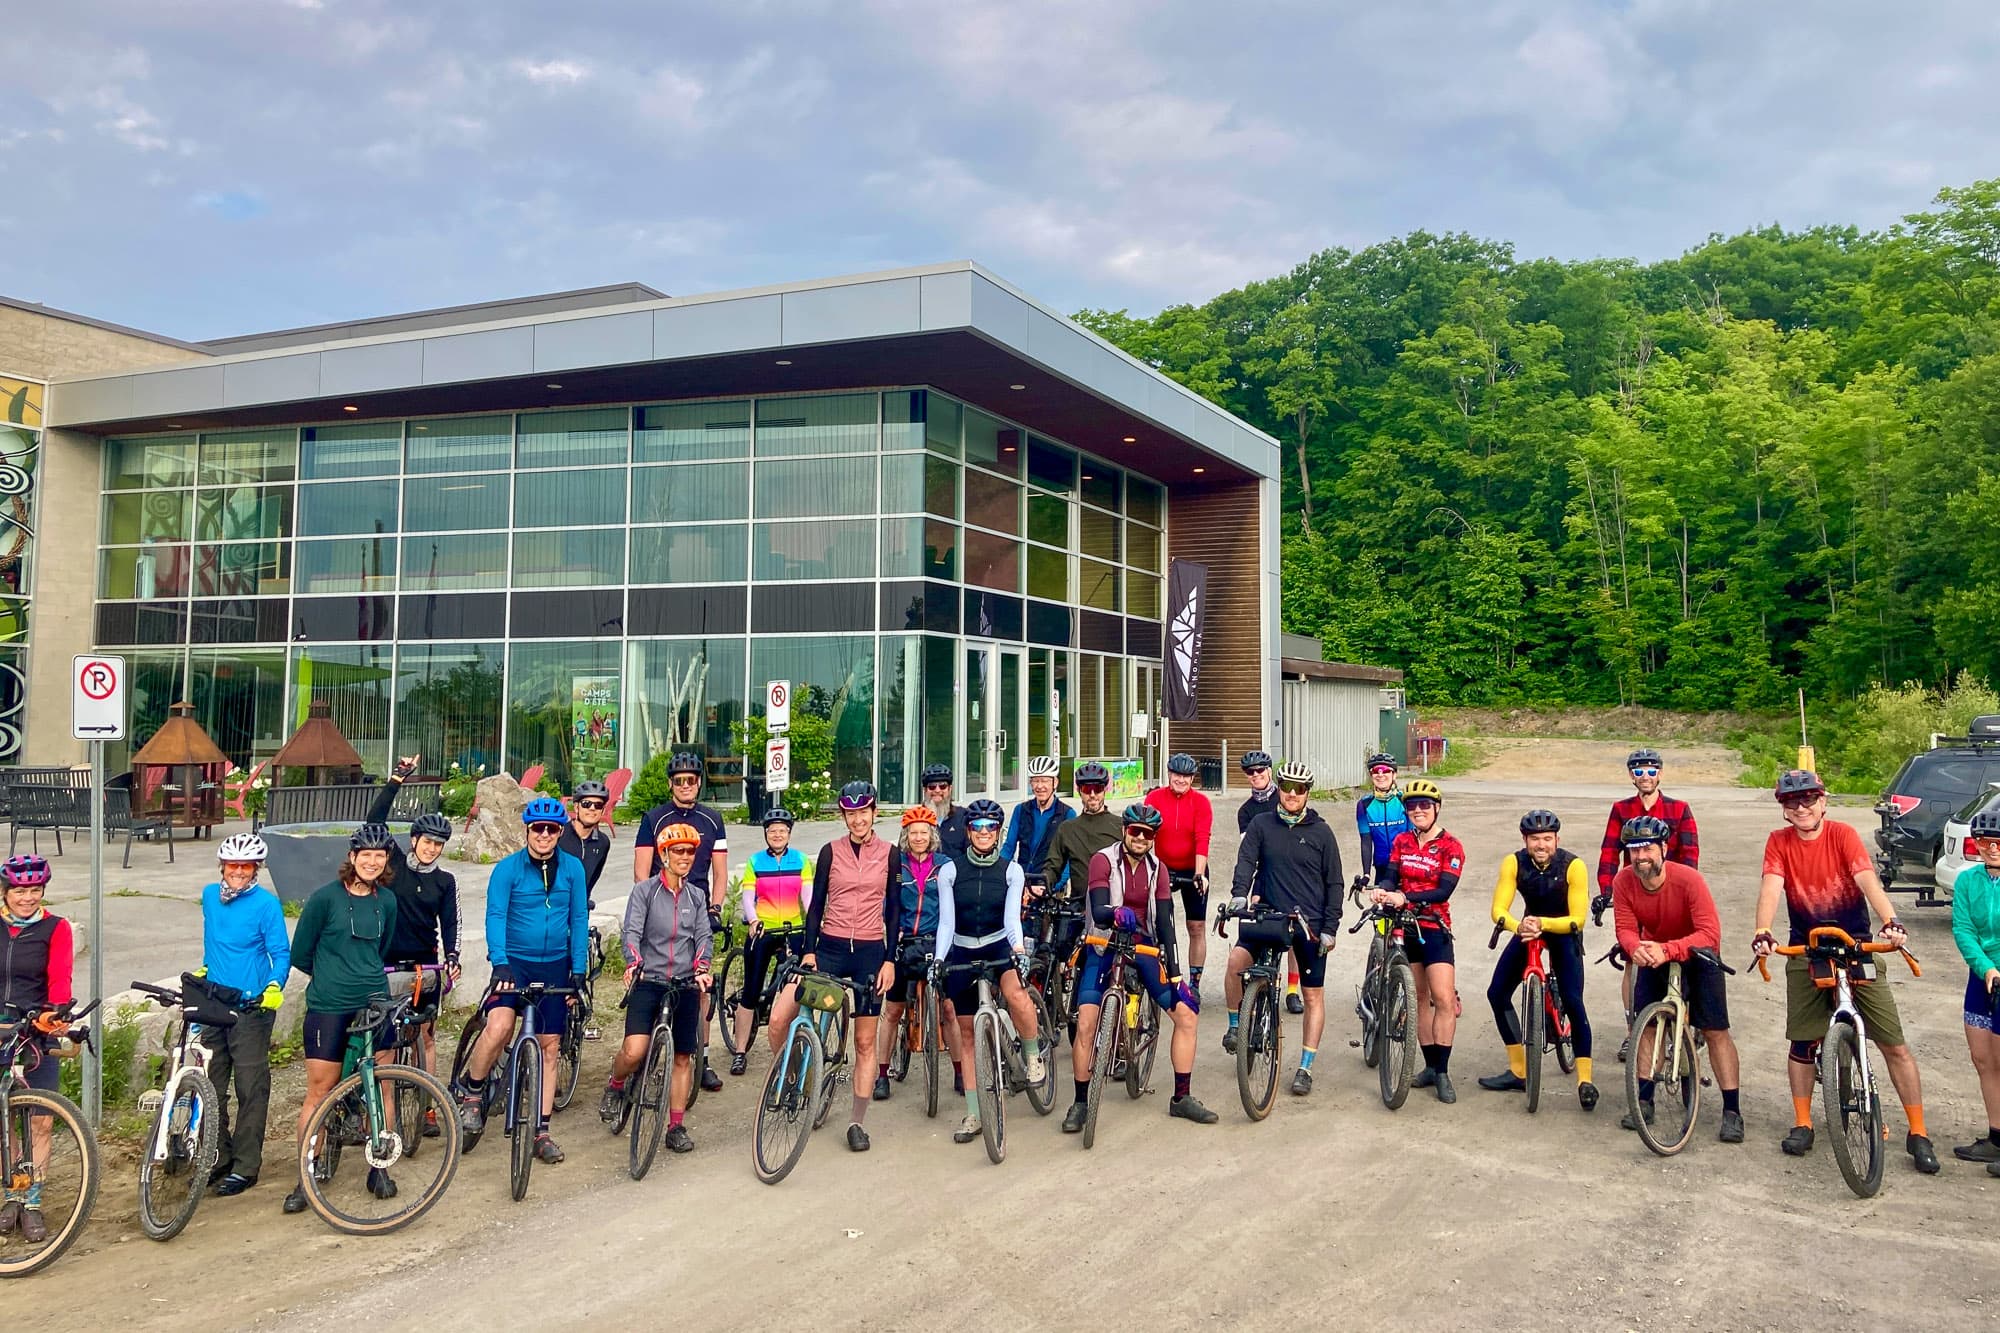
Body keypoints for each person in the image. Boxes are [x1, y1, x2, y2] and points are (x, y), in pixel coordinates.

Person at [1752, 770, 1938, 1173]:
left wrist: (1891, 922)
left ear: (1823, 802)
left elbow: (1868, 881)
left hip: (1855, 942)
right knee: (1802, 1043)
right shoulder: (1779, 842)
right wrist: (1762, 931)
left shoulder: (1842, 835)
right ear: (1783, 809)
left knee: (1893, 1043)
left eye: (1808, 799)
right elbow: (1770, 886)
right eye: (1792, 802)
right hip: (1807, 945)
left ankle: (1918, 1131)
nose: (1801, 807)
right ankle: (1803, 1122)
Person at [1062, 803, 1216, 1131]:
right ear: (1124, 831)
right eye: (1135, 832)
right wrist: (1114, 912)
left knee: (1187, 1015)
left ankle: (1182, 1098)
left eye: (1148, 834)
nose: (1141, 838)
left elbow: (1166, 922)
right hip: (1102, 944)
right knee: (1087, 1023)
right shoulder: (1102, 860)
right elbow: (1099, 904)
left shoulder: (1157, 869)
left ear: (1153, 839)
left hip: (1142, 945)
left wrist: (1176, 974)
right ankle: (1079, 1102)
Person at [454, 798, 591, 1166]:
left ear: (560, 832)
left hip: (555, 965)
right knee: (499, 1027)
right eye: (537, 828)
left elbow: (578, 920)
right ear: (527, 831)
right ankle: (473, 1091)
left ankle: (542, 1132)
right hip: (514, 962)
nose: (544, 834)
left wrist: (577, 970)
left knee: (549, 1046)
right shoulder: (507, 870)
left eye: (551, 829)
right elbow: (495, 916)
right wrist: (500, 964)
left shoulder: (573, 870)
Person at [767, 781, 900, 1152]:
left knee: (864, 1041)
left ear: (874, 813)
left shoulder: (890, 854)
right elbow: (816, 905)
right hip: (830, 947)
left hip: (871, 952)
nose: (857, 820)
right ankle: (793, 1075)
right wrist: (809, 951)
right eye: (850, 813)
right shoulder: (830, 851)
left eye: (863, 812)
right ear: (844, 816)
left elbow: (893, 908)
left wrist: (890, 958)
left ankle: (857, 1121)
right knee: (781, 1018)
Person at [284, 825, 398, 1214]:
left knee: (382, 1085)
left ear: (386, 862)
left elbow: (382, 949)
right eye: (365, 853)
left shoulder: (388, 902)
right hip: (329, 1003)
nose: (371, 860)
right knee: (320, 1090)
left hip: (374, 1002)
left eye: (379, 855)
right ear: (351, 857)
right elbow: (301, 953)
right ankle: (307, 1173)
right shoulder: (323, 900)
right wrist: (335, 976)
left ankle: (379, 1164)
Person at [1612, 815, 1744, 1141]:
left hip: (1697, 954)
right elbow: (1626, 928)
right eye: (1634, 851)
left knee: (1715, 1030)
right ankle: (1644, 1100)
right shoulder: (1623, 882)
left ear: (1663, 848)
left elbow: (1709, 934)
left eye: (1647, 850)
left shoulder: (1689, 880)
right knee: (1646, 1026)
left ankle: (1732, 1110)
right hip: (1655, 951)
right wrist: (1634, 947)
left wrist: (1668, 950)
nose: (1641, 857)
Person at [1222, 760, 1341, 1096]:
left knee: (1312, 995)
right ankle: (1236, 1026)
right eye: (1287, 786)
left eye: (1299, 789)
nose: (1291, 793)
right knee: (1235, 964)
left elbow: (1334, 882)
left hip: (1310, 924)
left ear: (1307, 793)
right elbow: (1246, 861)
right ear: (1279, 787)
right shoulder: (1262, 824)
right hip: (1268, 916)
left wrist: (1330, 927)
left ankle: (1305, 1066)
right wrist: (1237, 896)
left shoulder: (1322, 832)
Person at [936, 798, 1044, 1143]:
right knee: (967, 1036)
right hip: (963, 948)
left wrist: (1017, 950)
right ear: (969, 831)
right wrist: (939, 960)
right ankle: (973, 1112)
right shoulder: (950, 871)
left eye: (991, 828)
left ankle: (1031, 1056)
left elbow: (1012, 918)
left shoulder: (1011, 871)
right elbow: (946, 923)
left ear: (998, 833)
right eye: (978, 827)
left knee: (1015, 994)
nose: (984, 833)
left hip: (998, 944)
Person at [601, 825, 712, 1153]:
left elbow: (704, 937)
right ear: (663, 855)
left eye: (690, 851)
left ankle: (675, 1125)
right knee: (634, 1050)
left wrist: (702, 968)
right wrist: (633, 960)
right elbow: (632, 932)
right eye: (678, 851)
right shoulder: (645, 892)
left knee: (682, 1057)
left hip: (684, 984)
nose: (685, 857)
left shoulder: (696, 896)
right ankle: (616, 1083)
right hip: (649, 980)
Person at [1476, 811, 1597, 1111]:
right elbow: (1498, 909)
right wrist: (1518, 926)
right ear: (1524, 840)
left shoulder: (1574, 866)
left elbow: (1578, 919)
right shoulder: (1513, 862)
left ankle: (1585, 1080)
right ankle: (1519, 1070)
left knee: (1573, 1001)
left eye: (1547, 839)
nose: (1541, 845)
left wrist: (1542, 923)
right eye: (1534, 839)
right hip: (1529, 929)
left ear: (1557, 839)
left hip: (1562, 931)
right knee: (1497, 993)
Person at [365, 758, 460, 1134]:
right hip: (386, 960)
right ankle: (376, 1105)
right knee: (384, 1039)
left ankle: (429, 1107)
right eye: (427, 842)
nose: (432, 849)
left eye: (439, 845)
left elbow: (450, 922)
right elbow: (373, 823)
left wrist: (452, 957)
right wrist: (395, 781)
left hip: (424, 965)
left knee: (426, 1036)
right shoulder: (392, 867)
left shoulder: (445, 881)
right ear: (414, 840)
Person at [198, 833, 290, 1196]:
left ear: (256, 869)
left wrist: (273, 987)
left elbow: (281, 952)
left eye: (246, 866)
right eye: (233, 865)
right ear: (223, 866)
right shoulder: (209, 896)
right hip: (214, 1002)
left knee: (250, 1088)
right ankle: (217, 1156)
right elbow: (214, 939)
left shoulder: (266, 905)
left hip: (251, 1006)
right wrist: (207, 969)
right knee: (210, 1085)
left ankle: (247, 1165)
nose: (238, 871)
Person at [632, 752, 728, 1091]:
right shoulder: (654, 818)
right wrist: (644, 907)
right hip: (661, 900)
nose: (685, 785)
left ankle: (699, 1056)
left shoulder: (713, 819)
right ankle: (645, 1048)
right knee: (655, 977)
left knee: (699, 988)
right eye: (679, 780)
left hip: (697, 905)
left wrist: (715, 907)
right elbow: (642, 869)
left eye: (691, 779)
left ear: (699, 782)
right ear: (671, 784)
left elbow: (720, 871)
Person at [1596, 748, 1700, 1060]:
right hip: (1637, 895)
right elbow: (1609, 852)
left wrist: (1685, 894)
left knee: (1682, 956)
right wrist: (1606, 891)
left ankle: (1681, 1027)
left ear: (1661, 774)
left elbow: (1691, 857)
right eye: (1638, 771)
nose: (1645, 777)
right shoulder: (1621, 809)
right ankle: (1635, 1031)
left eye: (1651, 771)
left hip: (1674, 895)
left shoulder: (1679, 809)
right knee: (1633, 959)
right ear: (1631, 776)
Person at [1373, 777, 1462, 1102]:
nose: (1418, 810)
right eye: (1412, 806)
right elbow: (1391, 874)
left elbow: (1444, 889)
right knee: (1419, 997)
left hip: (1434, 927)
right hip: (1404, 926)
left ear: (1436, 809)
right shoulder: (1401, 842)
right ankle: (1427, 1065)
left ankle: (1442, 1072)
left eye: (1424, 805)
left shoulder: (1451, 846)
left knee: (1443, 998)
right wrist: (1383, 888)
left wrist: (1403, 897)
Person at [0, 854, 73, 1242]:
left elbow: (60, 978)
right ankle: (10, 1194)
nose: (27, 898)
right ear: (6, 892)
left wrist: (55, 1013)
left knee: (40, 1119)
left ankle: (31, 1200)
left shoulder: (55, 928)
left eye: (34, 890)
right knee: (4, 1119)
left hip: (34, 1031)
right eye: (19, 890)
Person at [875, 805, 961, 1101]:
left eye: (924, 832)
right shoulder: (896, 865)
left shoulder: (945, 864)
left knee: (949, 1009)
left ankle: (960, 1072)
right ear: (905, 835)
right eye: (914, 833)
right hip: (905, 941)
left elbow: (952, 906)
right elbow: (887, 901)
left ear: (933, 835)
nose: (919, 837)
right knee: (893, 1011)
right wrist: (891, 930)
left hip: (937, 940)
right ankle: (882, 1074)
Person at [727, 808, 814, 1076]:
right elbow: (747, 896)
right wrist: (753, 921)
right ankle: (740, 1051)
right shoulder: (756, 862)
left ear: (789, 833)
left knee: (795, 987)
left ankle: (789, 1039)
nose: (777, 835)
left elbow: (808, 897)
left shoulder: (801, 860)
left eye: (782, 830)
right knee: (751, 991)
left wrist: (812, 923)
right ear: (766, 834)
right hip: (764, 929)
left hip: (794, 928)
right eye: (772, 831)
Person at [1950, 809, 2000, 1171]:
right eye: (1983, 841)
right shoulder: (1968, 881)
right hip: (1983, 978)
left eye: (1998, 842)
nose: (1991, 848)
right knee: (1983, 1060)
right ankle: (1996, 1137)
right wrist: (1985, 968)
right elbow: (1963, 929)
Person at [1235, 750, 1303, 1015]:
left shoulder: (1285, 795)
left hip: (1291, 871)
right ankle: (1259, 978)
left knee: (1294, 931)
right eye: (1250, 772)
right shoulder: (1246, 811)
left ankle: (1293, 990)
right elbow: (1247, 853)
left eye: (1261, 770)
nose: (1256, 776)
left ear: (1269, 771)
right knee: (1259, 923)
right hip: (1263, 873)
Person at [1040, 761, 1124, 966]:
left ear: (1106, 789)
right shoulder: (1067, 829)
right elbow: (1053, 865)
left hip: (1113, 904)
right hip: (1078, 904)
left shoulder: (1120, 826)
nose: (1092, 795)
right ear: (1079, 791)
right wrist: (1042, 885)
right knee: (1057, 952)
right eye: (1087, 789)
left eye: (1097, 789)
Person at [1146, 752, 1214, 988]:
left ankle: (1194, 982)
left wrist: (1198, 873)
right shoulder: (1154, 798)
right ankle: (1162, 975)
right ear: (1169, 774)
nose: (1181, 780)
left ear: (1193, 778)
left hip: (1191, 868)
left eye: (1186, 776)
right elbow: (1147, 834)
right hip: (1163, 868)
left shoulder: (1201, 802)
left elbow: (1201, 838)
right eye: (1177, 774)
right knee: (1160, 921)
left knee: (1196, 926)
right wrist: (1149, 868)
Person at [1001, 755, 1073, 885]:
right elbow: (1008, 847)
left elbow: (1070, 859)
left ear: (1055, 782)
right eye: (1035, 781)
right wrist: (999, 874)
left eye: (1044, 781)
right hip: (1022, 881)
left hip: (1050, 883)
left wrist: (1053, 886)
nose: (1039, 786)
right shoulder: (1021, 810)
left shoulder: (1067, 814)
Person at [1355, 753, 1409, 885]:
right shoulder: (1364, 804)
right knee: (1382, 905)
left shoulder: (1405, 800)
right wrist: (1366, 874)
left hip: (1406, 867)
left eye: (1385, 770)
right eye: (1375, 771)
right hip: (1382, 868)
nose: (1380, 775)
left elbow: (1415, 837)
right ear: (1371, 775)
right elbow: (1366, 841)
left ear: (1394, 774)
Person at [558, 778, 613, 906]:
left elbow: (592, 878)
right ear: (576, 807)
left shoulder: (603, 843)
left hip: (580, 911)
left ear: (603, 811)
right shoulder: (559, 835)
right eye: (586, 804)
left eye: (598, 805)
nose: (592, 808)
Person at [920, 763, 970, 857]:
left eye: (943, 786)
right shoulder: (914, 819)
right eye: (932, 786)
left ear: (950, 789)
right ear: (925, 790)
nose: (937, 790)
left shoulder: (963, 816)